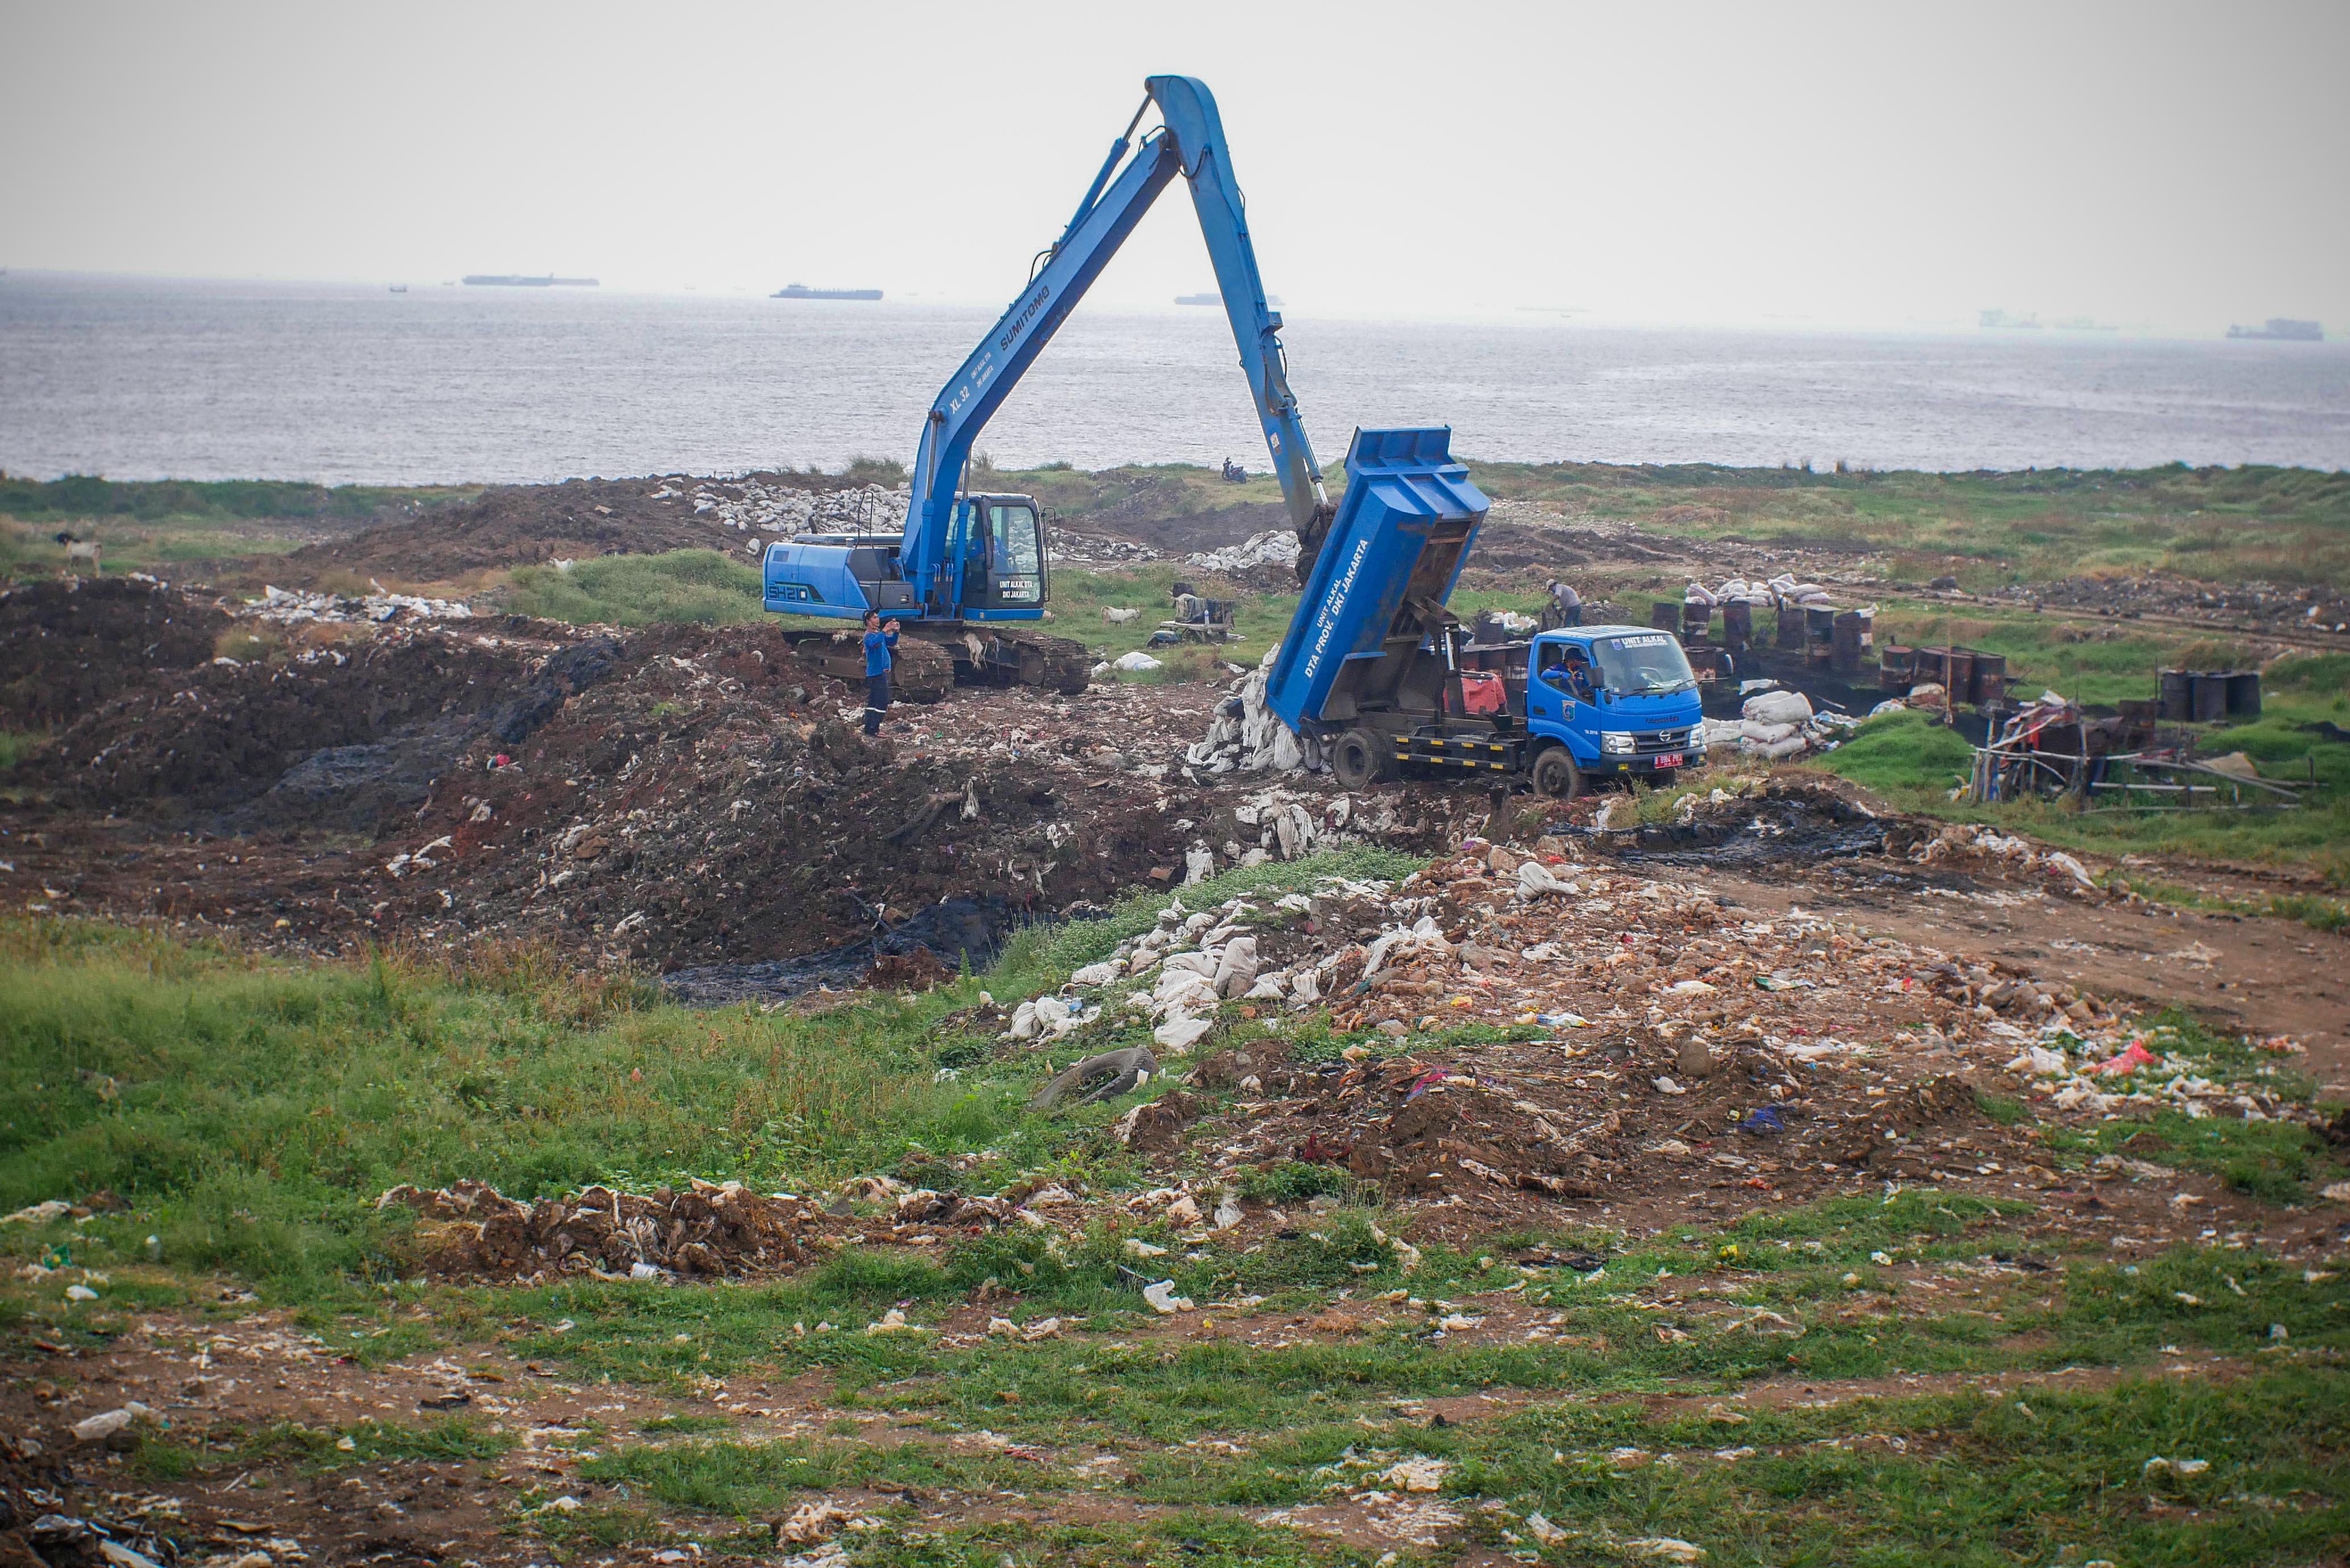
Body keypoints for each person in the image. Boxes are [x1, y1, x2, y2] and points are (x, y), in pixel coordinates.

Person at [861, 609, 900, 736]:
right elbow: (875, 643)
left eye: (877, 617)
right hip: (876, 674)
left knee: (873, 702)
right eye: (874, 618)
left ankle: (869, 729)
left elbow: (891, 642)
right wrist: (884, 631)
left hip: (879, 674)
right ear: (868, 622)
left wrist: (896, 632)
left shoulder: (878, 635)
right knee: (883, 701)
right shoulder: (869, 636)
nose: (877, 619)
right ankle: (874, 729)